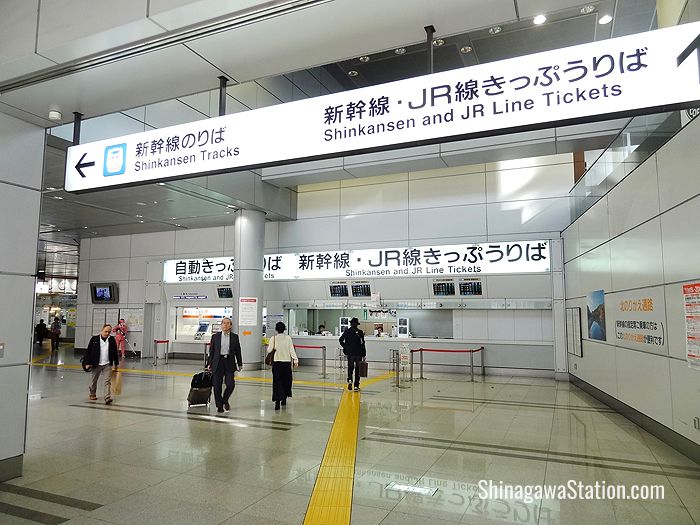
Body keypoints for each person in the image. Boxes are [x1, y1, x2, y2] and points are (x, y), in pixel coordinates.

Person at [207, 317, 242, 413]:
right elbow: (212, 351)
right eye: (223, 323)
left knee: (230, 384)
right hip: (218, 362)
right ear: (221, 325)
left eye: (228, 323)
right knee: (217, 385)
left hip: (229, 362)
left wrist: (240, 363)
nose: (225, 325)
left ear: (230, 326)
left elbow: (238, 351)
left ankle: (225, 400)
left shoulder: (235, 337)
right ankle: (219, 405)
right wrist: (209, 363)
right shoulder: (215, 337)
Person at [83, 324, 119, 404]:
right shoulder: (94, 339)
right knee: (93, 381)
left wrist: (116, 364)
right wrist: (87, 363)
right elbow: (88, 352)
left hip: (107, 363)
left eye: (109, 332)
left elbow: (114, 353)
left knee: (107, 381)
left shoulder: (112, 340)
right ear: (102, 330)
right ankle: (92, 393)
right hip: (96, 363)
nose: (107, 333)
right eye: (106, 331)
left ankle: (107, 397)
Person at [266, 321, 299, 410]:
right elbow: (292, 350)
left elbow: (269, 350)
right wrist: (295, 360)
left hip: (277, 364)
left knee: (277, 382)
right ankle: (284, 399)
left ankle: (277, 402)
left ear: (276, 329)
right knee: (286, 381)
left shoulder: (273, 338)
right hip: (286, 364)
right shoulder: (288, 338)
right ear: (284, 329)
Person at [339, 317, 366, 392]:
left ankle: (350, 380)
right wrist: (364, 354)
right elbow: (362, 343)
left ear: (350, 324)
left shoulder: (347, 331)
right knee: (358, 369)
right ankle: (356, 386)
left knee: (350, 367)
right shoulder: (360, 332)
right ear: (357, 325)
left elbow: (340, 340)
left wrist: (345, 347)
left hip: (350, 353)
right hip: (358, 353)